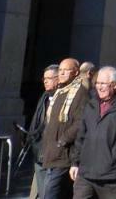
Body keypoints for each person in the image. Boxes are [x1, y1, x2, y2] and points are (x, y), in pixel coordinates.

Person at [70, 66, 116, 199]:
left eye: (103, 84)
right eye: (97, 83)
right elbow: (81, 136)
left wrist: (115, 156)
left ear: (115, 85)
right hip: (85, 173)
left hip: (112, 176)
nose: (99, 87)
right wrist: (75, 162)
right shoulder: (91, 104)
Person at [41, 58, 87, 199]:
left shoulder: (80, 92)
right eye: (60, 70)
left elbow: (80, 122)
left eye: (65, 70)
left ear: (75, 72)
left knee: (51, 194)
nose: (61, 73)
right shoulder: (59, 92)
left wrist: (63, 140)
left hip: (64, 154)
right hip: (51, 153)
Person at [27, 65, 58, 199]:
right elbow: (37, 121)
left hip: (55, 152)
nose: (45, 81)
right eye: (44, 78)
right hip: (40, 150)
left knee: (51, 191)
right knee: (41, 188)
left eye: (49, 78)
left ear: (58, 80)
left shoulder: (64, 99)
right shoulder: (44, 97)